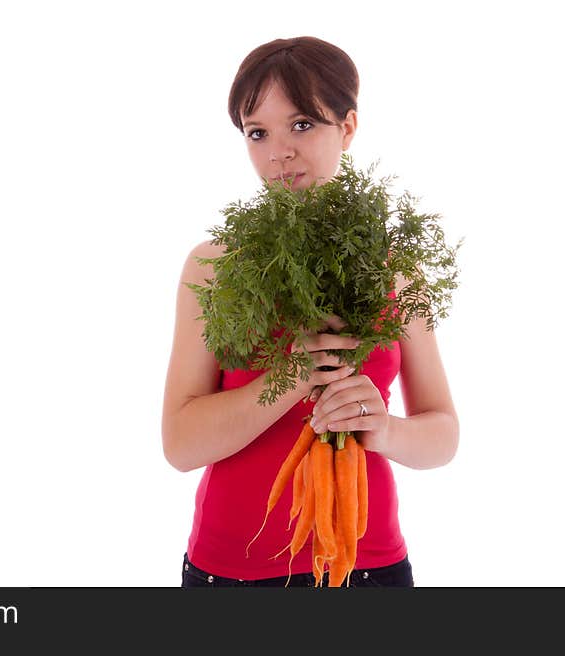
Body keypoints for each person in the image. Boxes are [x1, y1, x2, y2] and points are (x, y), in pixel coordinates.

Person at [161, 36, 459, 587]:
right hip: (231, 572)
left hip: (367, 566)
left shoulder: (395, 269)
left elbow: (443, 432)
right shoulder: (213, 267)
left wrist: (383, 429)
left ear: (346, 127)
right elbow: (180, 444)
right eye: (258, 132)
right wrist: (293, 377)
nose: (278, 152)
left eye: (301, 124)